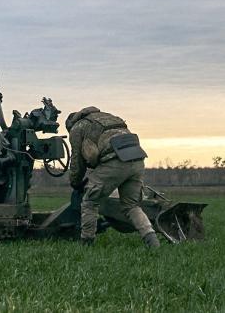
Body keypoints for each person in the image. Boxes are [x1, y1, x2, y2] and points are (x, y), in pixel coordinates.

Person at [66, 106, 160, 249]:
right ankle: (153, 243)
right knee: (131, 206)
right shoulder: (108, 117)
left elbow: (77, 161)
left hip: (115, 161)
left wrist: (75, 182)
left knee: (90, 201)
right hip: (137, 159)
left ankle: (87, 244)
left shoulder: (78, 127)